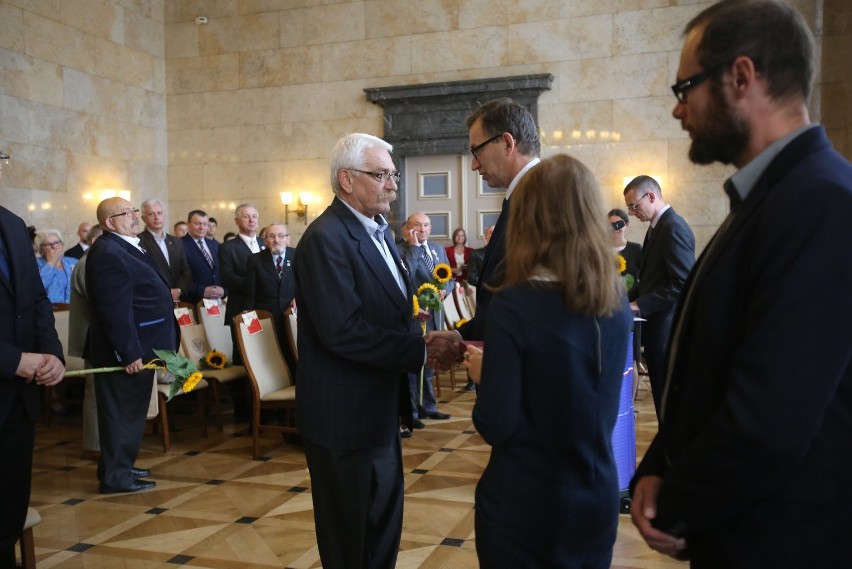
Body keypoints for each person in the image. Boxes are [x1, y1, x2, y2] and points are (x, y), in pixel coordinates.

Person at [629, 2, 852, 567]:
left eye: (686, 87)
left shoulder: (822, 201)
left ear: (741, 77)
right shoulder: (771, 194)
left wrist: (677, 504)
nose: (679, 110)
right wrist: (658, 462)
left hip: (782, 539)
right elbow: (712, 365)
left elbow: (771, 415)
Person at [295, 133, 461, 568]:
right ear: (347, 180)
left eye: (392, 174)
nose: (393, 184)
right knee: (350, 538)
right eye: (382, 174)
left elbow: (389, 312)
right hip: (343, 417)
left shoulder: (379, 233)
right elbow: (342, 330)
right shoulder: (325, 238)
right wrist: (420, 352)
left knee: (382, 526)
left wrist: (423, 340)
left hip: (379, 408)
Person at [463, 154, 632, 568]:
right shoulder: (616, 299)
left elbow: (497, 424)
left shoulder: (515, 304)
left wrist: (486, 375)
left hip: (526, 502)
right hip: (595, 491)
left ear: (528, 218)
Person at [85, 197, 178, 494]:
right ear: (109, 222)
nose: (135, 217)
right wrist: (128, 351)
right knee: (121, 413)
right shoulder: (108, 251)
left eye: (134, 211)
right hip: (128, 350)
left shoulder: (124, 245)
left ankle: (119, 464)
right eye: (128, 213)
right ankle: (116, 476)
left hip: (142, 345)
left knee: (130, 412)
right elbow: (114, 309)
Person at [0, 152, 65, 568]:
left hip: (19, 400)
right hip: (8, 374)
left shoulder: (10, 222)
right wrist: (10, 360)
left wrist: (52, 356)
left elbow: (36, 300)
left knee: (8, 515)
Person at [457, 98, 541, 342]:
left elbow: (536, 306)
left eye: (477, 150)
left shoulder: (542, 199)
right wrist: (460, 336)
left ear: (507, 143)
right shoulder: (521, 195)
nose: (474, 165)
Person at [623, 176, 694, 419]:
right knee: (662, 403)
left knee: (669, 405)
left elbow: (682, 283)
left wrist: (639, 305)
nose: (632, 213)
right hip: (656, 330)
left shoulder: (672, 227)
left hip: (668, 330)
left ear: (651, 196)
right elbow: (651, 279)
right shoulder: (658, 227)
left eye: (634, 206)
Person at [401, 212, 452, 426]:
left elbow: (449, 278)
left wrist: (445, 291)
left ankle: (429, 406)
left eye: (426, 225)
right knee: (414, 364)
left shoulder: (438, 249)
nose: (423, 229)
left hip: (435, 316)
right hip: (414, 317)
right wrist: (413, 248)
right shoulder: (400, 250)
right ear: (408, 230)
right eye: (417, 225)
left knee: (430, 362)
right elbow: (406, 276)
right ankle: (412, 411)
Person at [68, 223, 104, 460]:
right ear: (93, 241)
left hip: (99, 335)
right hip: (92, 335)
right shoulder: (87, 263)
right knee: (94, 391)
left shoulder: (95, 261)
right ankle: (93, 446)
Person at [246, 222, 297, 373]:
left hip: (293, 316)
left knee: (294, 352)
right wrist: (250, 318)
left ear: (288, 239)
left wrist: (299, 297)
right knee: (272, 357)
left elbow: (308, 282)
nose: (277, 240)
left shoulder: (298, 255)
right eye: (272, 236)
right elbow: (250, 292)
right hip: (267, 318)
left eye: (281, 236)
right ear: (265, 240)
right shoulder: (255, 260)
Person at [219, 204, 264, 363]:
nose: (251, 220)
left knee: (264, 352)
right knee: (244, 354)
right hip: (241, 306)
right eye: (246, 216)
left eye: (254, 216)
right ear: (237, 221)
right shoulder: (227, 248)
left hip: (265, 307)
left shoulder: (265, 242)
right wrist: (257, 285)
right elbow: (228, 277)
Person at [138, 199, 193, 302]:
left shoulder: (176, 241)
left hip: (179, 299)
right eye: (151, 214)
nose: (157, 217)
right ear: (143, 218)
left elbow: (186, 270)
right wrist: (166, 292)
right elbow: (144, 274)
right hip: (154, 300)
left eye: (159, 213)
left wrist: (179, 290)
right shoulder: (138, 242)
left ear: (164, 215)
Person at [181, 210, 225, 304]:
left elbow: (222, 271)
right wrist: (201, 291)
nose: (202, 227)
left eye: (205, 224)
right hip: (192, 302)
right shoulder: (179, 245)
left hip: (217, 302)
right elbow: (177, 277)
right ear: (188, 224)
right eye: (197, 224)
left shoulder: (215, 245)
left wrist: (223, 290)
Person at [36, 229, 78, 304]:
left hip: (73, 310)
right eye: (48, 244)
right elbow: (37, 288)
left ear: (62, 244)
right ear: (41, 249)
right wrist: (51, 263)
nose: (54, 247)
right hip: (49, 311)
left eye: (56, 242)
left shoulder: (73, 262)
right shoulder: (36, 264)